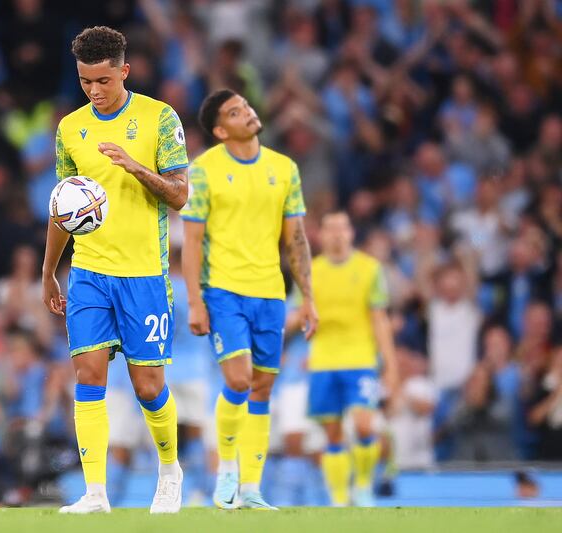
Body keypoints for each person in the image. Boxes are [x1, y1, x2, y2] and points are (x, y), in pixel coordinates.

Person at [41, 26, 189, 514]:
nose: (94, 90)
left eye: (103, 80)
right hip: (89, 272)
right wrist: (48, 272)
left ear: (124, 70)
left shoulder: (159, 119)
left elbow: (180, 194)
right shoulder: (70, 129)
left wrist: (134, 167)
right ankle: (95, 493)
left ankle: (170, 472)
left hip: (144, 274)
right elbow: (64, 207)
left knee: (148, 386)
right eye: (85, 81)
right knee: (87, 375)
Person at [181, 89, 317, 510]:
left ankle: (252, 489)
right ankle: (226, 468)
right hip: (223, 289)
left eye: (247, 106)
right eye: (236, 112)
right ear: (221, 130)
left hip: (270, 293)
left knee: (262, 389)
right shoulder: (203, 171)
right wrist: (194, 301)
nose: (249, 113)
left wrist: (308, 297)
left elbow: (295, 238)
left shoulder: (284, 168)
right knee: (238, 380)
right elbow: (192, 241)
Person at [307, 211, 398, 507]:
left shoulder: (369, 269)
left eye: (342, 228)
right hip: (322, 360)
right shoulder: (309, 270)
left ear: (351, 233)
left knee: (363, 425)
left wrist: (391, 365)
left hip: (360, 359)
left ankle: (362, 485)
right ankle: (338, 497)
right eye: (330, 228)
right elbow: (300, 312)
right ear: (320, 234)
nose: (336, 234)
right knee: (333, 434)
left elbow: (380, 319)